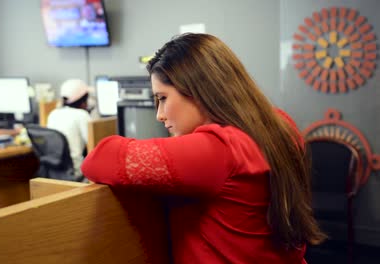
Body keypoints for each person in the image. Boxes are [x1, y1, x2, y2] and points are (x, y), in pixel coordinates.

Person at [81, 33, 326, 263]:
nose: (159, 115)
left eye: (163, 98)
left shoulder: (216, 149)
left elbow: (99, 158)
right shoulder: (280, 123)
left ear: (197, 90)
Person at [47, 79, 92, 181]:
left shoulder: (53, 114)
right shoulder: (82, 115)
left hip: (55, 170)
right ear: (84, 100)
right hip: (75, 171)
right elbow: (93, 144)